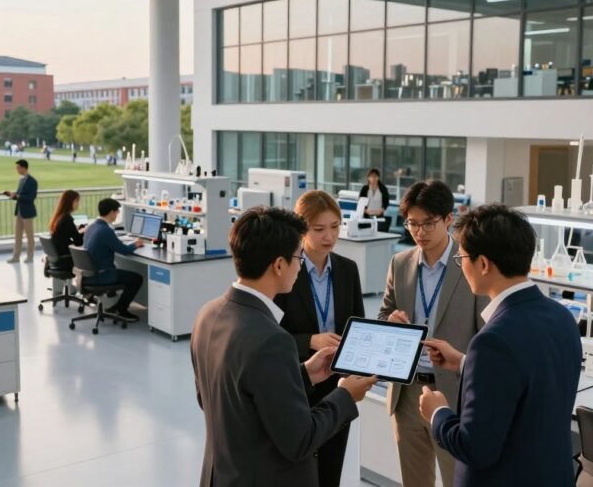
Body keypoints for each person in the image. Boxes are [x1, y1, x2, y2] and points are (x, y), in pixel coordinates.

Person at [190, 206, 377, 487]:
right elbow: (300, 440)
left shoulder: (208, 313)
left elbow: (218, 399)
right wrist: (345, 396)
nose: (301, 265)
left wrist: (303, 374)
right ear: (279, 265)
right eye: (298, 258)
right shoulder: (272, 339)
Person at [419, 204, 582, 487]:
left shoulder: (492, 341)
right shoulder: (562, 317)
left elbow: (475, 448)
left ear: (483, 264)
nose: (461, 265)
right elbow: (525, 376)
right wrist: (464, 362)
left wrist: (437, 413)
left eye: (462, 259)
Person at [377, 180, 487, 487]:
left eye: (428, 223)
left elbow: (485, 333)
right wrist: (392, 321)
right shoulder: (400, 263)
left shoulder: (471, 265)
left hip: (454, 394)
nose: (419, 232)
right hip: (407, 392)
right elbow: (383, 314)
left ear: (449, 219)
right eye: (412, 224)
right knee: (414, 481)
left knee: (458, 479)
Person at [273, 192, 366, 487]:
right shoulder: (285, 271)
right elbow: (272, 336)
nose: (329, 236)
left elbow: (358, 325)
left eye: (335, 227)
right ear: (302, 229)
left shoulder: (347, 269)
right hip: (298, 381)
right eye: (319, 229)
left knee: (331, 469)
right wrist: (309, 341)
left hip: (338, 384)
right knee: (297, 470)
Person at [82, 198, 144, 321]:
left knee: (122, 271)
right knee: (137, 278)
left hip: (87, 274)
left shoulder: (92, 227)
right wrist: (136, 244)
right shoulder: (105, 231)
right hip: (101, 275)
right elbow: (125, 251)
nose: (117, 215)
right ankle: (121, 309)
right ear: (111, 212)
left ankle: (117, 306)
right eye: (117, 212)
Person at [5, 159, 38, 263]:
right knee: (18, 235)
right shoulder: (21, 180)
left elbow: (31, 197)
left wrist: (18, 196)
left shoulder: (33, 181)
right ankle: (16, 256)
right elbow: (19, 195)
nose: (17, 170)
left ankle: (30, 256)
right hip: (19, 211)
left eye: (18, 167)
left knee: (29, 235)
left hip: (27, 212)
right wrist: (12, 195)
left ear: (24, 168)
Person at [49, 190, 84, 270]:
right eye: (77, 201)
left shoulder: (59, 217)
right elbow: (78, 242)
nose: (78, 204)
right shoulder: (67, 219)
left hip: (59, 257)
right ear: (70, 202)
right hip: (66, 259)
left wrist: (79, 230)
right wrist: (84, 231)